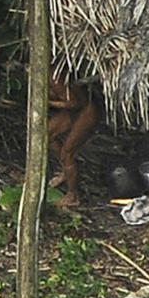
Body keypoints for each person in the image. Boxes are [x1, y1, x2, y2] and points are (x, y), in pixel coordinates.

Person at [47, 69, 100, 207]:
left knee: (68, 153)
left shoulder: (54, 78)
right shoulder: (40, 77)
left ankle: (73, 195)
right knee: (48, 134)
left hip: (85, 111)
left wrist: (49, 103)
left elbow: (73, 102)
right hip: (72, 111)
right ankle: (66, 170)